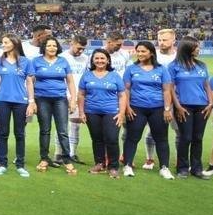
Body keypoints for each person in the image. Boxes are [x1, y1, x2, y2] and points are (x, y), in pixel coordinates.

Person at [120, 40, 174, 179]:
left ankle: (164, 167)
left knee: (161, 139)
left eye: (143, 51)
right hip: (137, 108)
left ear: (151, 53)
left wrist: (167, 109)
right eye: (138, 51)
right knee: (132, 138)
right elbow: (126, 89)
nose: (140, 54)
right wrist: (127, 107)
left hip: (158, 108)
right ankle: (127, 165)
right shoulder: (131, 69)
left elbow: (167, 90)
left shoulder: (161, 69)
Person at [0, 33, 34, 177]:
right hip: (2, 101)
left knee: (20, 134)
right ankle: (3, 164)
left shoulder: (26, 62)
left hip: (21, 102)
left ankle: (20, 165)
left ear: (14, 44)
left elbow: (29, 82)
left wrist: (31, 102)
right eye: (2, 42)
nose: (2, 45)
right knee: (3, 133)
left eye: (5, 42)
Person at [31, 37, 77, 174]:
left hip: (60, 99)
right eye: (49, 45)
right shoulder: (36, 61)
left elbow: (70, 81)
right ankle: (44, 158)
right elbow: (30, 82)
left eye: (54, 45)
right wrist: (31, 101)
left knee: (62, 130)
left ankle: (66, 159)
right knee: (45, 130)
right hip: (41, 99)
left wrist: (73, 99)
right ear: (44, 47)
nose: (52, 48)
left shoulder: (63, 61)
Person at [77, 49, 126, 177]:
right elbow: (81, 94)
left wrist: (121, 113)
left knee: (111, 139)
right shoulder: (86, 75)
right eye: (97, 58)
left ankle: (113, 167)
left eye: (102, 58)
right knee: (97, 139)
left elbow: (122, 95)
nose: (99, 61)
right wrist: (81, 112)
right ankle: (99, 163)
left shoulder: (114, 75)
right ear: (92, 60)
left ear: (108, 60)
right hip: (91, 112)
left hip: (111, 112)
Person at [169, 37, 211, 178]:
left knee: (198, 138)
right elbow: (171, 88)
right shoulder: (174, 66)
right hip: (184, 106)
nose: (199, 49)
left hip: (202, 106)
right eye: (196, 47)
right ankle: (182, 168)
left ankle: (197, 169)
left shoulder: (202, 65)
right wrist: (178, 106)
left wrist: (210, 103)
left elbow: (206, 85)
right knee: (185, 137)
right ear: (187, 48)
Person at [142, 28, 179, 170]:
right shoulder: (153, 56)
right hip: (156, 99)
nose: (162, 43)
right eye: (159, 40)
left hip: (176, 99)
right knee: (152, 130)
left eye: (165, 40)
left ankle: (178, 160)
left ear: (173, 40)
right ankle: (150, 159)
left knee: (178, 130)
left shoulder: (178, 57)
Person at [60, 35, 90, 163]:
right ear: (72, 43)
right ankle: (60, 153)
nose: (80, 51)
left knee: (76, 124)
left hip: (79, 95)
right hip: (63, 95)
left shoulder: (86, 59)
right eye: (78, 48)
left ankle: (72, 153)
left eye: (83, 49)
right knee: (62, 125)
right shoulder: (62, 57)